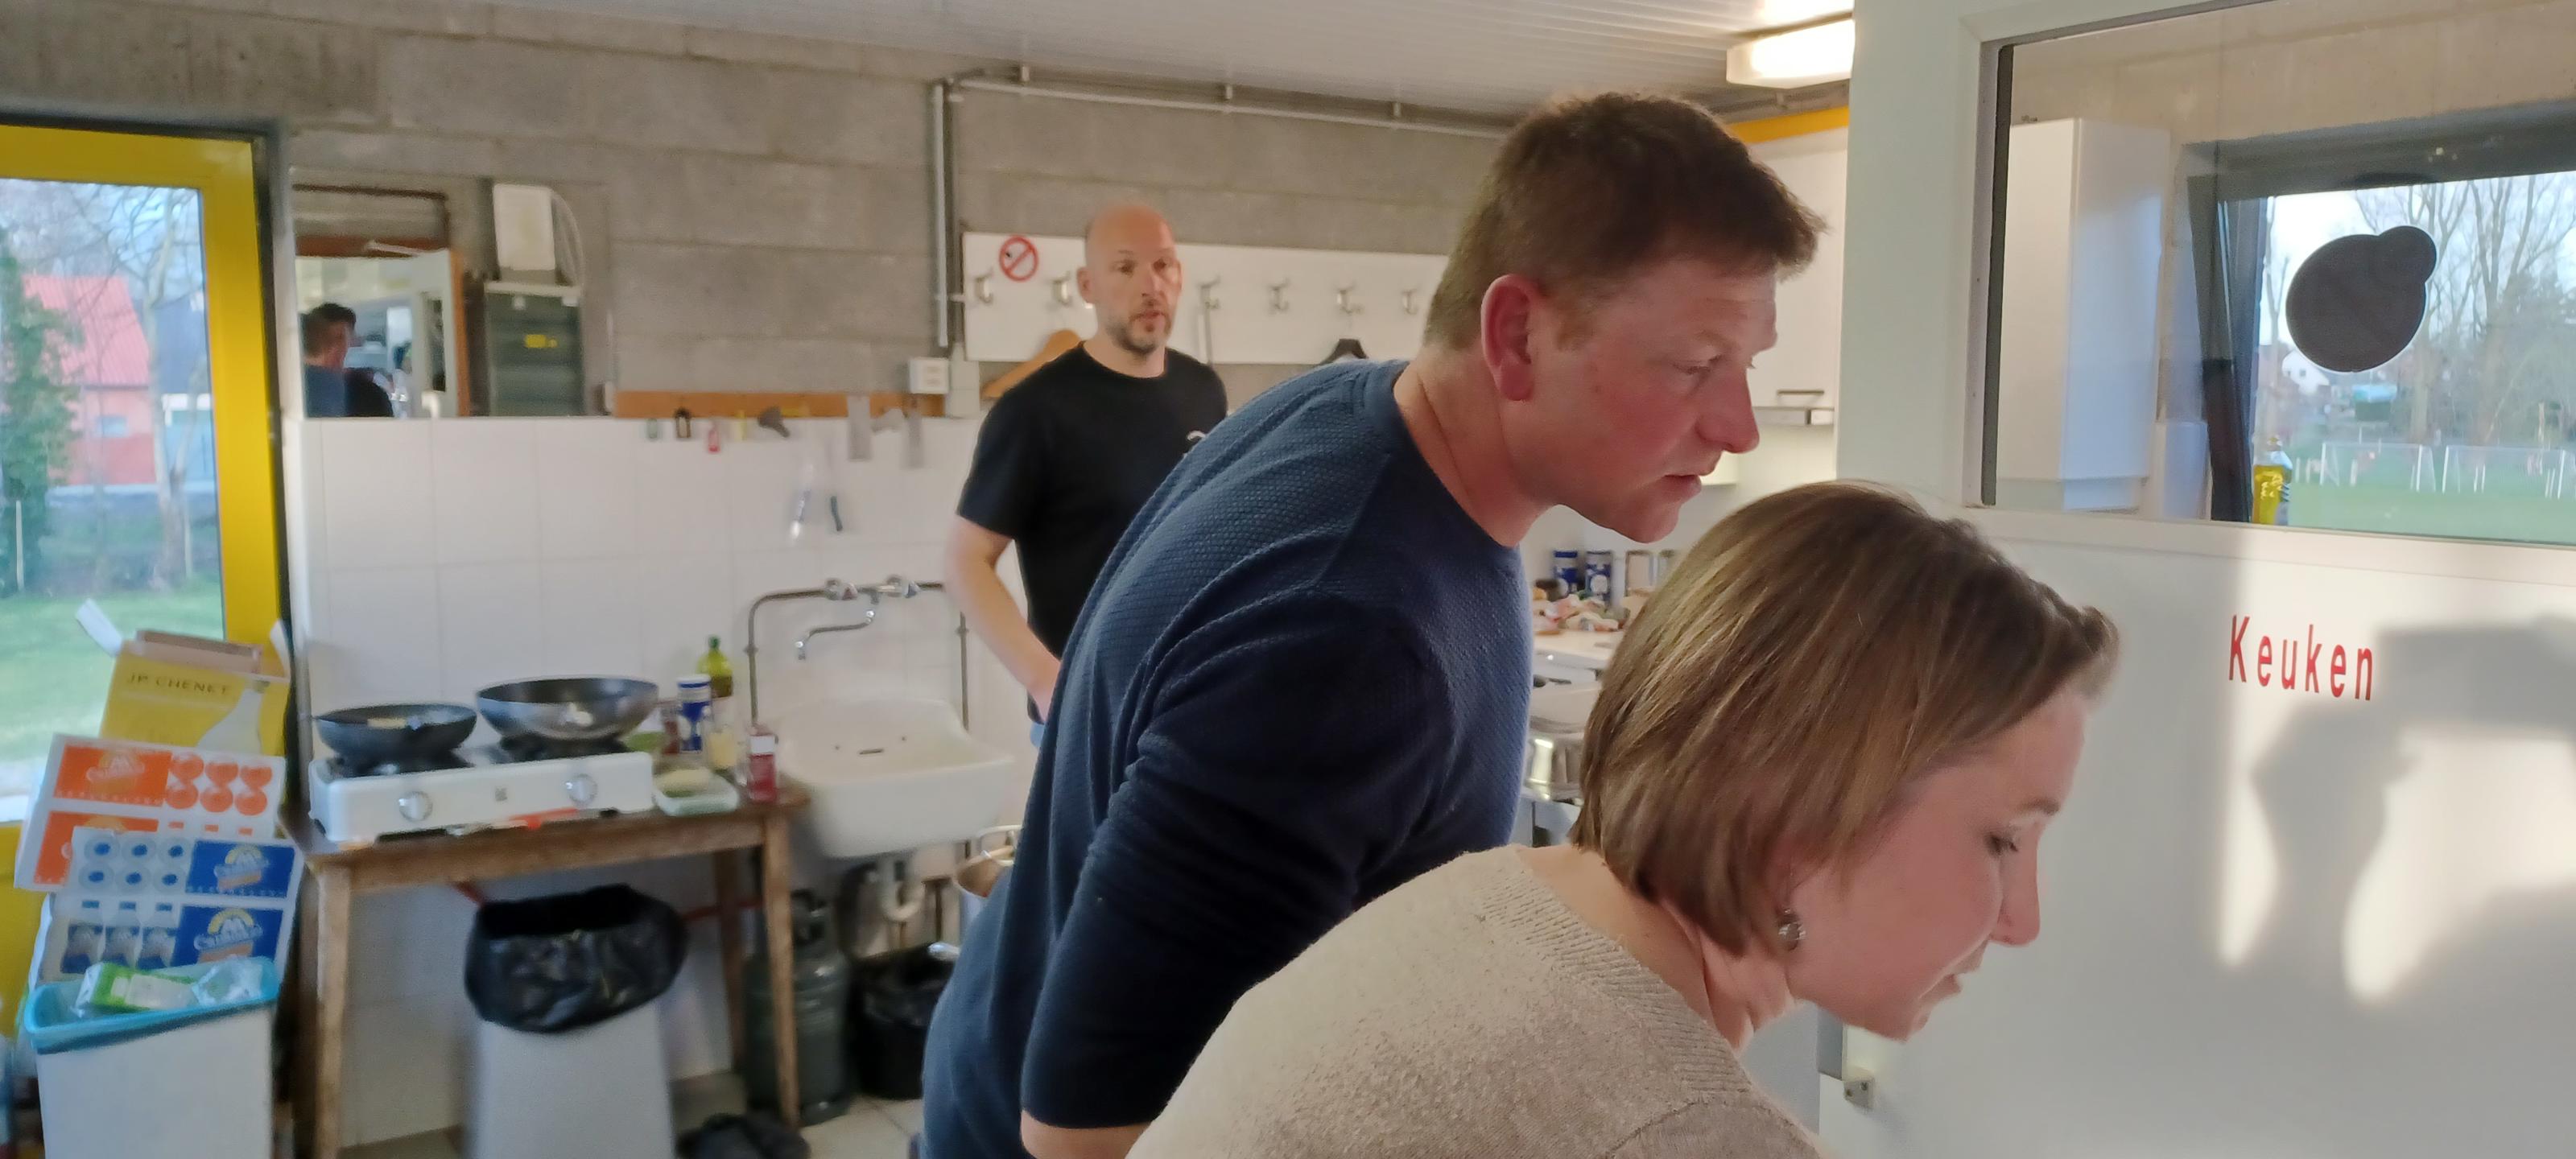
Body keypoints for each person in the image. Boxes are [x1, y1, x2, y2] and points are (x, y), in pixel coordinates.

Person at [919, 91, 1823, 1159]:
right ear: (1516, 336)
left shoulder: (1346, 408)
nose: (1737, 426)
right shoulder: (1344, 639)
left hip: (985, 1053)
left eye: (1748, 367)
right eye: (1693, 366)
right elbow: (1091, 1134)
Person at [1132, 483, 2120, 1157]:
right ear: (1798, 806)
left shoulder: (1482, 905)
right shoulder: (1676, 1128)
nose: (2020, 919)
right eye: (2002, 840)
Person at [947, 204, 1228, 732]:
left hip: (1193, 695)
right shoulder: (1036, 410)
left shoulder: (1203, 389)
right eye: (1125, 268)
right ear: (1088, 285)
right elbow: (965, 561)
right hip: (1094, 715)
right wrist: (1043, 680)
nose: (1151, 286)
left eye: (1163, 265)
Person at [300, 303, 357, 418]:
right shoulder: (302, 381)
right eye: (328, 339)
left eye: (340, 338)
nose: (334, 347)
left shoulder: (366, 391)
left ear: (351, 341)